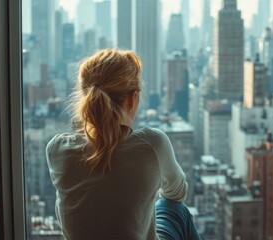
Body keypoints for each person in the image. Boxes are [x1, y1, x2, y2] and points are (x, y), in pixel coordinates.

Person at [46, 49, 201, 240]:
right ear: (132, 99)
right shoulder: (152, 144)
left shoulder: (57, 150)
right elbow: (178, 193)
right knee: (173, 208)